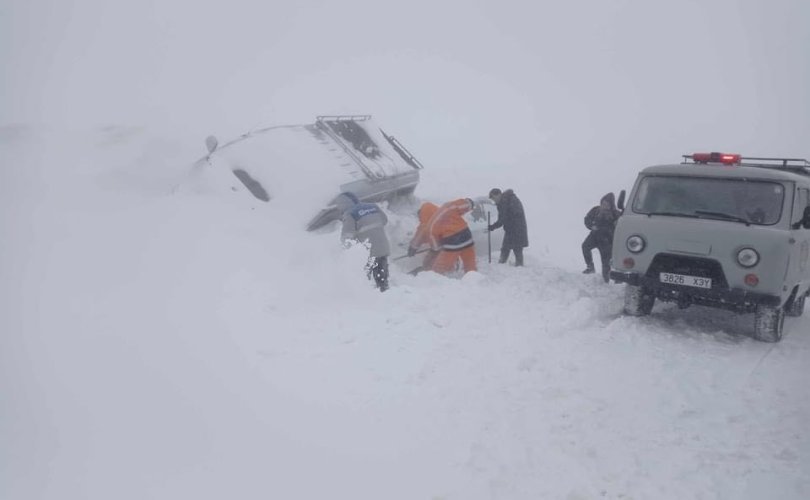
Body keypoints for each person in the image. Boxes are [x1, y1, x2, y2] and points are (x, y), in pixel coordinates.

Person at [334, 192, 390, 291]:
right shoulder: (373, 206)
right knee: (382, 279)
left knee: (365, 281)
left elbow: (346, 237)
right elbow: (385, 220)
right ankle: (386, 293)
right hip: (383, 247)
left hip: (368, 253)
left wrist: (342, 253)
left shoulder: (350, 214)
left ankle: (370, 300)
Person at [407, 198, 477, 275]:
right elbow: (456, 205)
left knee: (438, 269)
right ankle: (473, 278)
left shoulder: (429, 227)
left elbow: (436, 248)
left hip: (453, 242)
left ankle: (435, 277)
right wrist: (470, 203)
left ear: (422, 214)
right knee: (470, 265)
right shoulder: (445, 211)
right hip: (467, 236)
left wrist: (413, 247)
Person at [582, 192, 621, 282]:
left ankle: (606, 281)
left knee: (605, 263)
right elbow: (587, 219)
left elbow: (621, 227)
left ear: (611, 205)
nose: (604, 206)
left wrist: (612, 229)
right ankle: (590, 267)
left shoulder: (616, 214)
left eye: (607, 204)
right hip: (594, 237)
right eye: (603, 203)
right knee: (585, 247)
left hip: (606, 241)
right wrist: (591, 226)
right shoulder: (596, 210)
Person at [487, 188, 528, 266]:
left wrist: (492, 227)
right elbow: (506, 217)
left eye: (493, 198)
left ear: (498, 195)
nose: (494, 201)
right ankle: (503, 263)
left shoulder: (504, 201)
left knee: (516, 248)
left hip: (515, 228)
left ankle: (517, 267)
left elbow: (502, 219)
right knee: (507, 247)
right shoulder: (509, 199)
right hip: (514, 228)